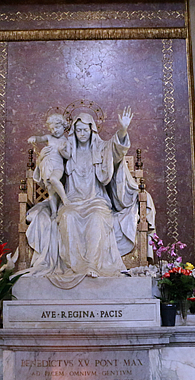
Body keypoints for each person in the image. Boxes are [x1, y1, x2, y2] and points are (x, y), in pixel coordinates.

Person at [25, 107, 147, 288]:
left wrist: (123, 129)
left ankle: (92, 265)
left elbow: (116, 149)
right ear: (74, 130)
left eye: (86, 129)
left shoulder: (100, 148)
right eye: (79, 130)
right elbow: (49, 160)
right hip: (72, 201)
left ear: (92, 130)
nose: (82, 133)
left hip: (96, 200)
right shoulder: (66, 149)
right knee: (67, 217)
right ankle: (74, 268)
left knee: (97, 219)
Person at [27, 113, 71, 217]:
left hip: (58, 166)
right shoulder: (49, 138)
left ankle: (65, 199)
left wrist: (61, 151)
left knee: (54, 179)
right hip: (47, 166)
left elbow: (68, 156)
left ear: (63, 126)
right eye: (52, 129)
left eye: (57, 127)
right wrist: (34, 138)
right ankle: (54, 213)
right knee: (51, 192)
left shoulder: (66, 141)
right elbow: (39, 138)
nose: (54, 131)